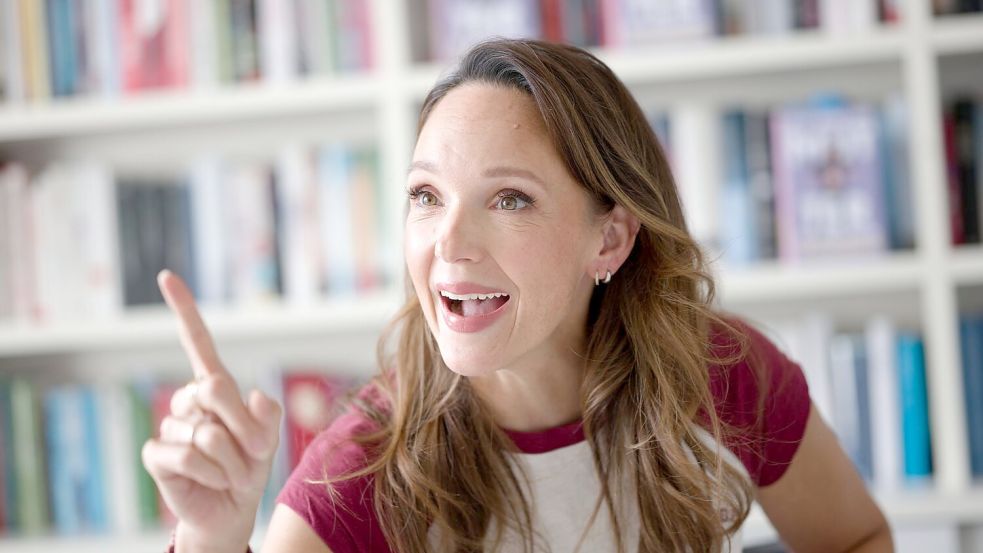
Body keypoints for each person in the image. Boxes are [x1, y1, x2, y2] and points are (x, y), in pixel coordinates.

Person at [144, 39, 893, 552]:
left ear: (609, 240)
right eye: (426, 194)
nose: (449, 242)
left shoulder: (724, 372)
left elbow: (857, 539)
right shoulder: (367, 464)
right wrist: (211, 535)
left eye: (509, 199)